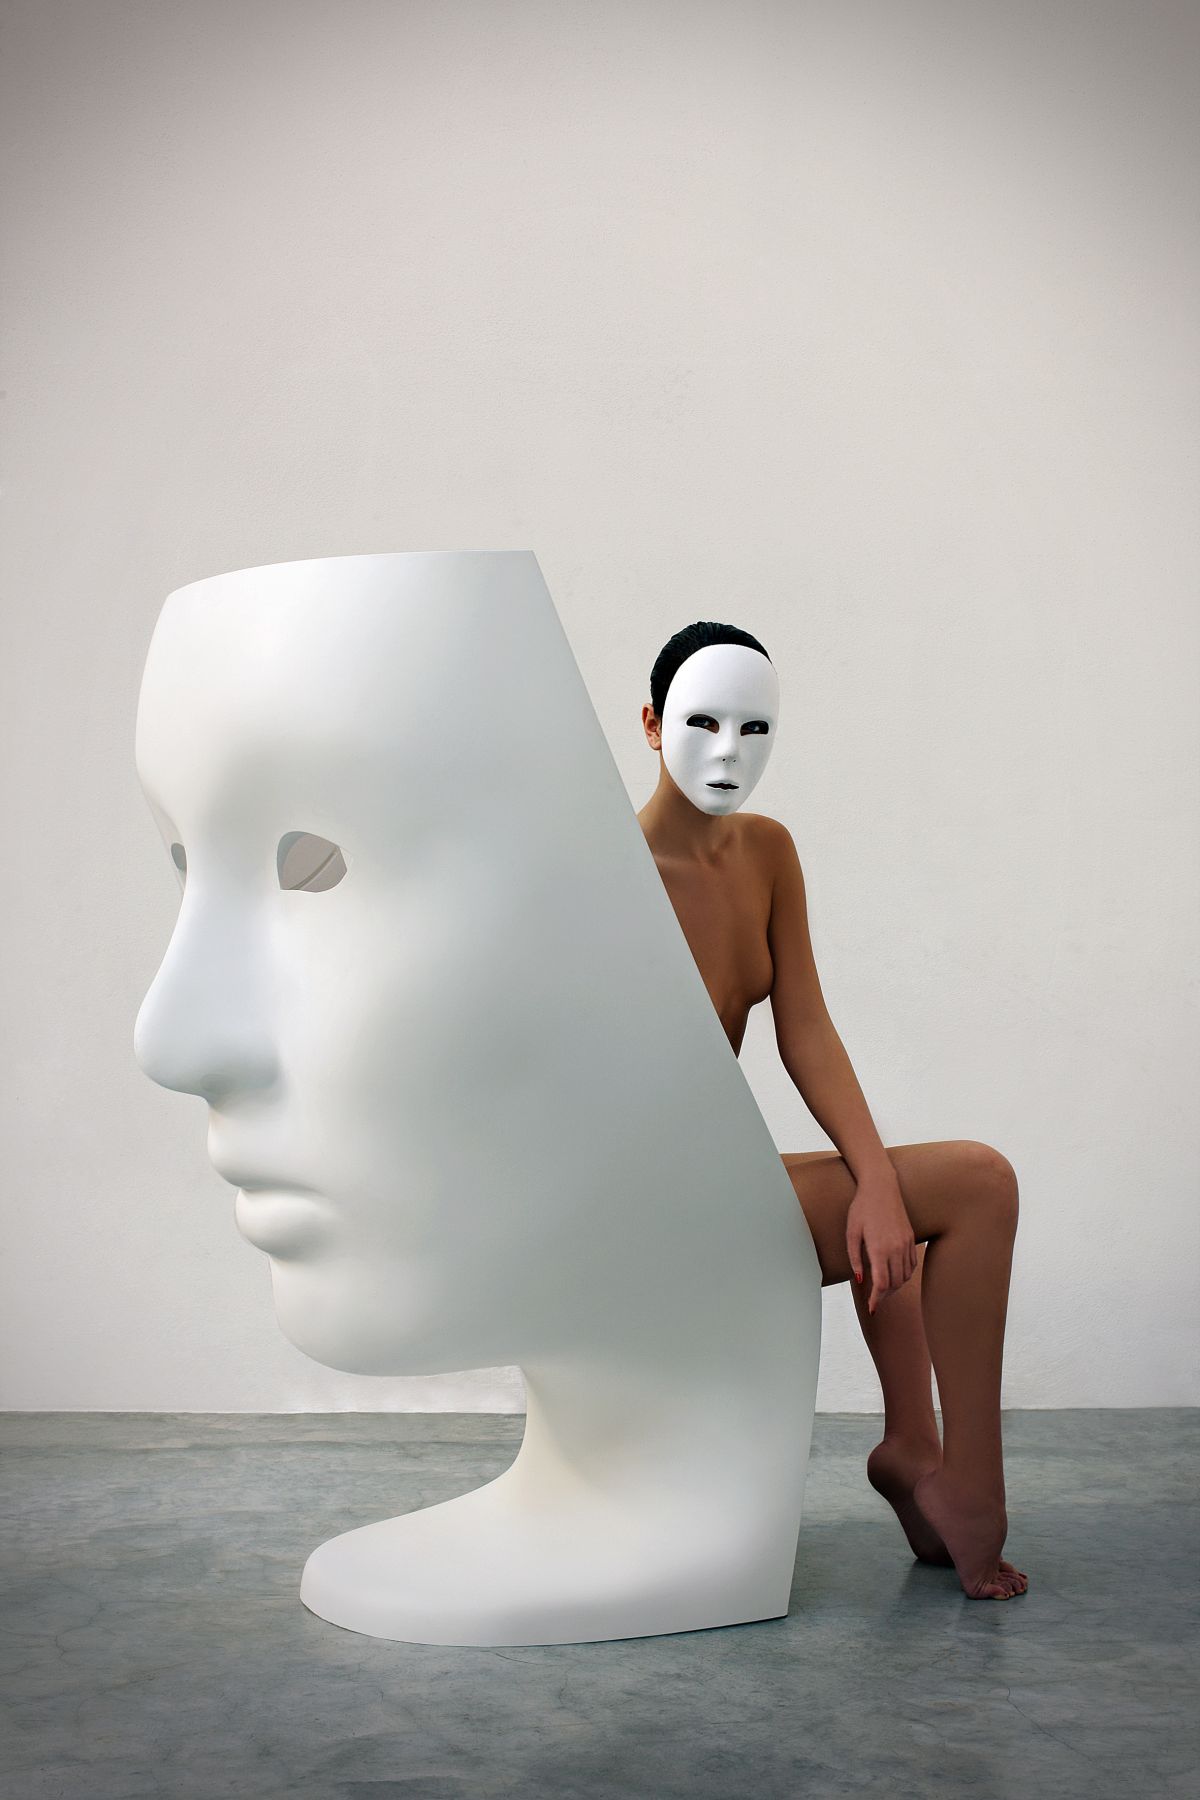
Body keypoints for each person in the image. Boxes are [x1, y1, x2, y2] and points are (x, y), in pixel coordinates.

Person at [637, 619, 1028, 1601]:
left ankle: (912, 1449)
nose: (729, 751)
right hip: (643, 1204)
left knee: (880, 1189)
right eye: (702, 722)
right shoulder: (610, 871)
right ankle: (969, 1493)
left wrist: (879, 1181)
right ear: (650, 725)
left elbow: (804, 1030)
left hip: (724, 1177)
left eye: (755, 729)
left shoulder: (767, 851)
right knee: (979, 1185)